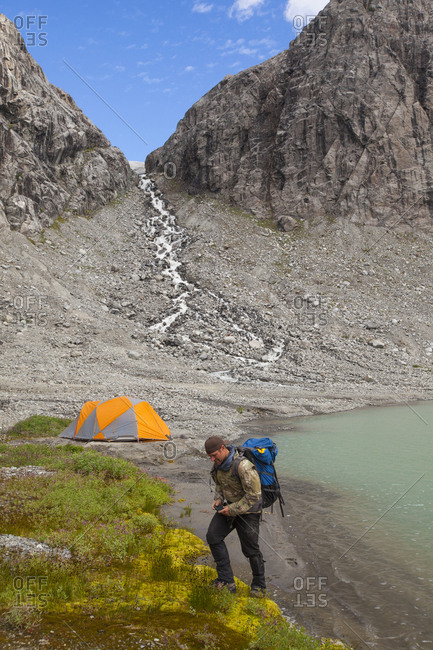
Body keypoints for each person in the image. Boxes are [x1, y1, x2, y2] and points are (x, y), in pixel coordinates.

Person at [205, 435, 266, 597]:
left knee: (251, 550)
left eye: (214, 455)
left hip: (249, 512)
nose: (212, 459)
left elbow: (254, 495)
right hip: (229, 509)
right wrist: (218, 498)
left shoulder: (244, 467)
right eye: (209, 456)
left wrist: (231, 509)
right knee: (213, 536)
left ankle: (259, 585)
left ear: (223, 449)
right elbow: (219, 484)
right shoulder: (217, 465)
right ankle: (226, 581)